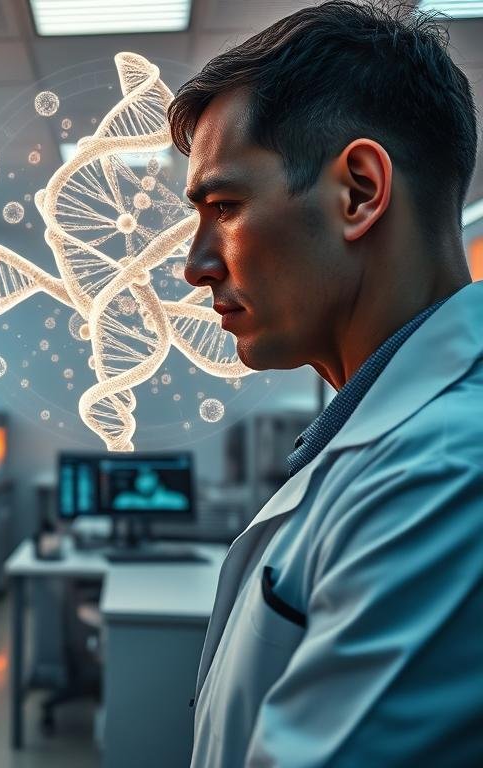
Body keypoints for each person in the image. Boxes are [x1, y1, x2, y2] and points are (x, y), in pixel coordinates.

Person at [166, 1, 483, 765]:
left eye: (226, 206)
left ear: (360, 192)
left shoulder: (445, 477)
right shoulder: (376, 440)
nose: (196, 265)